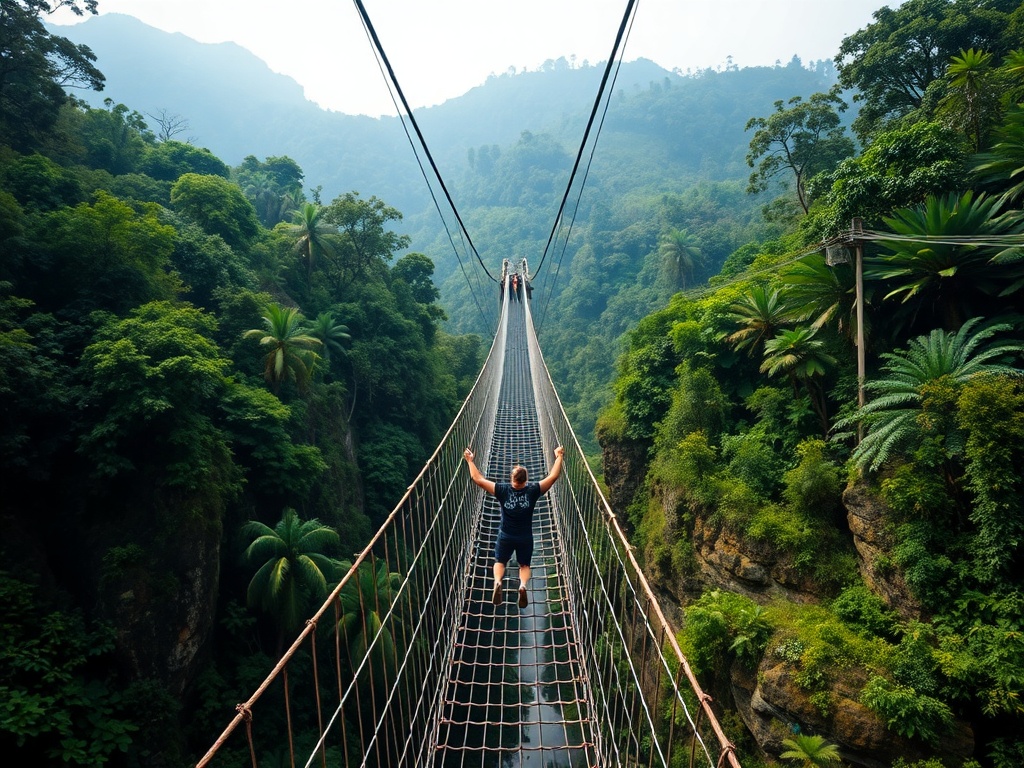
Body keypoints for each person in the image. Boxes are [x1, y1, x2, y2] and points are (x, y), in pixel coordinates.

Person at [463, 445, 565, 608]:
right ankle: (523, 586)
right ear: (526, 480)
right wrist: (559, 456)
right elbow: (553, 476)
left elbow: (478, 479)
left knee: (500, 561)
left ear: (512, 479)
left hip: (506, 536)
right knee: (524, 565)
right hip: (525, 537)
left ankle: (497, 582)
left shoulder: (503, 490)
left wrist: (470, 461)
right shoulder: (533, 490)